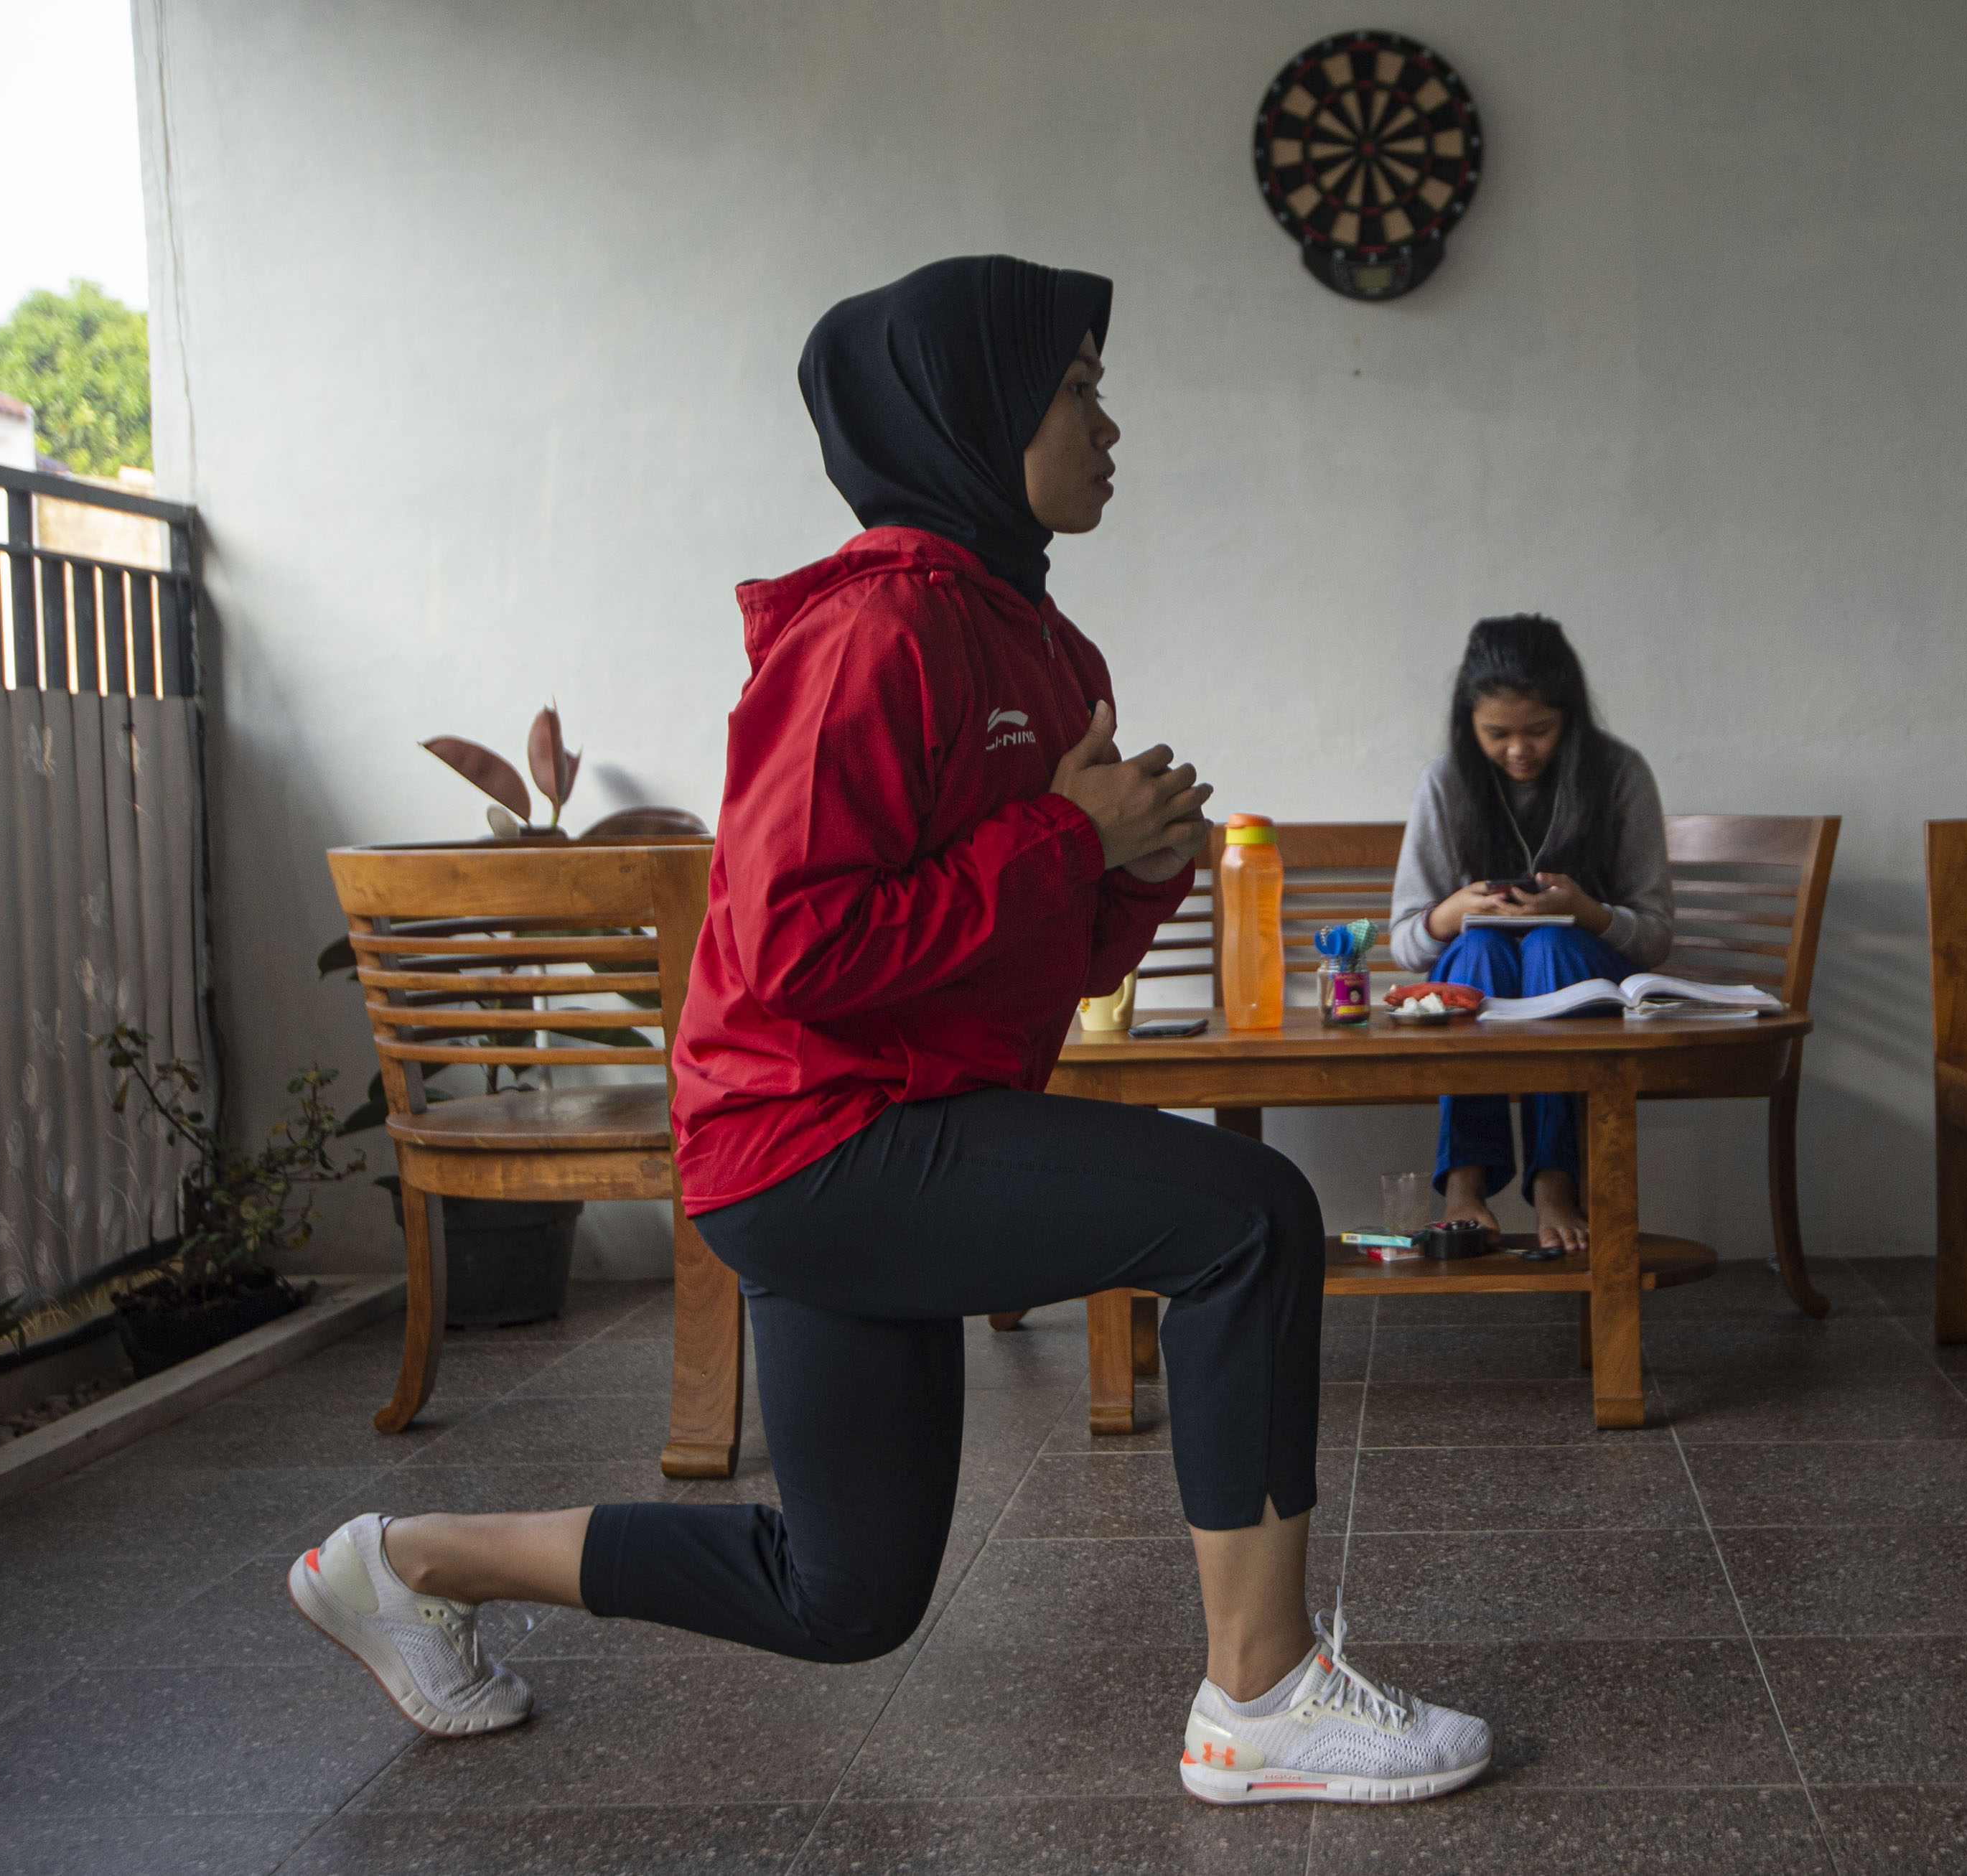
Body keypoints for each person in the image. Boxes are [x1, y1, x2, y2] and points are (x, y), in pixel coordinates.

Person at [287, 257, 1490, 1808]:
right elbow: (792, 948)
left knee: (843, 1593)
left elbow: (1033, 954)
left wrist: (1132, 867)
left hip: (890, 1124)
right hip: (813, 1135)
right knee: (1248, 1215)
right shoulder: (873, 633)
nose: (1109, 422)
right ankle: (1256, 1695)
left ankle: (402, 1562)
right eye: (1074, 387)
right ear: (973, 413)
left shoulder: (1047, 650)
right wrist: (1065, 839)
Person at [1388, 615, 1674, 1251]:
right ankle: (1465, 1183)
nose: (1519, 750)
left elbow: (1654, 936)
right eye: (1498, 733)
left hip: (1586, 978)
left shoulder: (1618, 774)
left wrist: (1588, 912)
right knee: (1481, 945)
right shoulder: (1446, 783)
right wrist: (1452, 912)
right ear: (1469, 723)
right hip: (1481, 976)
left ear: (1569, 716)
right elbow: (1406, 943)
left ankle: (1555, 1183)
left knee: (1549, 944)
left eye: (1539, 730)